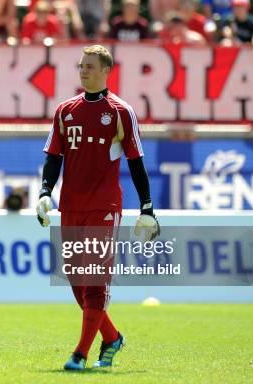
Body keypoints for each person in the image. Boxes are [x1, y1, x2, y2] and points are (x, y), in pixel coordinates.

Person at [36, 45, 160, 371]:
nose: (83, 71)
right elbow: (53, 157)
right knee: (77, 282)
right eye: (81, 66)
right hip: (71, 206)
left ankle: (79, 354)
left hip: (104, 205)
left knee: (95, 280)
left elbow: (136, 162)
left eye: (90, 66)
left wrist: (147, 207)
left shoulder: (120, 111)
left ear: (106, 70)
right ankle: (113, 337)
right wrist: (45, 192)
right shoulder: (65, 110)